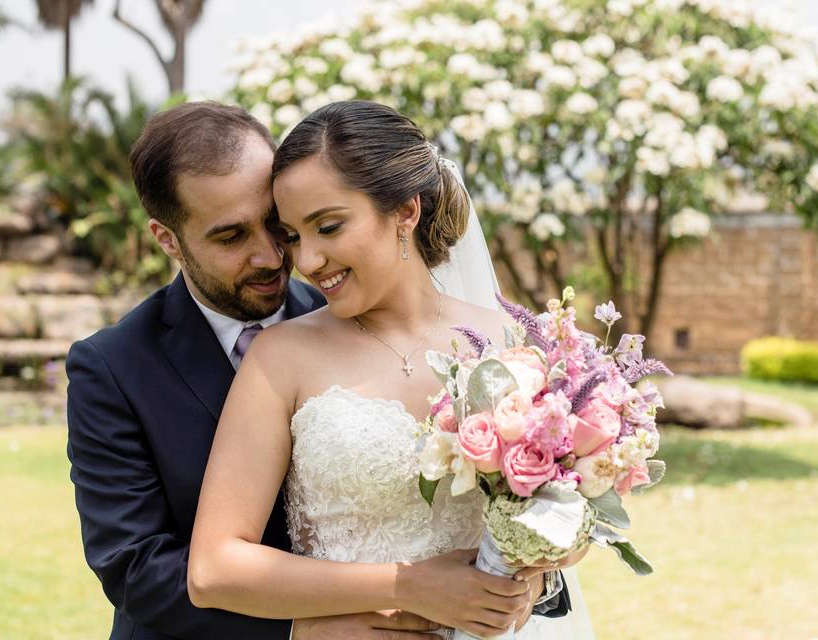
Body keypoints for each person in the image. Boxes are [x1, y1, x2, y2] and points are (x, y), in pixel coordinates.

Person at [187, 100, 595, 638]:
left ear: (405, 210)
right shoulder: (279, 357)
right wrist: (403, 585)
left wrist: (532, 580)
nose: (307, 261)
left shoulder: (512, 341)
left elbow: (563, 515)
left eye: (328, 227)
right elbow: (215, 569)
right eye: (293, 236)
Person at [66, 101, 451, 639]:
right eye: (231, 237)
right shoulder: (112, 367)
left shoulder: (351, 313)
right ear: (167, 239)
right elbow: (135, 564)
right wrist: (302, 629)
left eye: (277, 225)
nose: (271, 256)